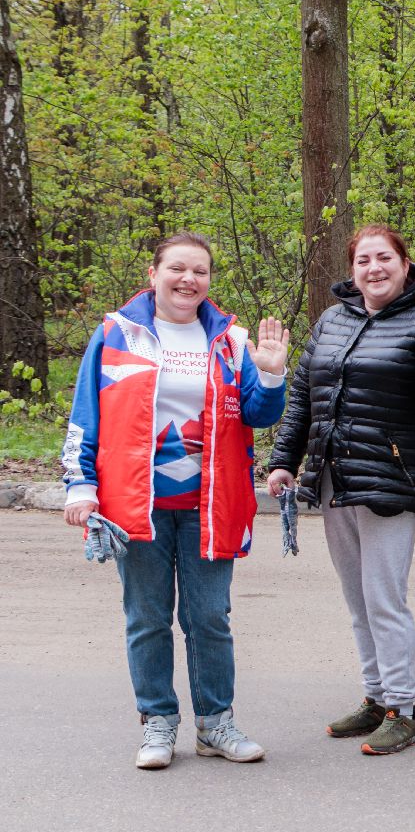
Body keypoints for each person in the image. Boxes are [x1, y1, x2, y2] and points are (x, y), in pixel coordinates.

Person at [62, 232, 288, 770]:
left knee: (209, 618)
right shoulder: (117, 334)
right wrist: (80, 483)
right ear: (153, 274)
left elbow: (258, 414)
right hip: (132, 506)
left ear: (209, 280)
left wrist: (274, 372)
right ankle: (157, 721)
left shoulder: (231, 340)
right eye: (178, 269)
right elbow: (85, 414)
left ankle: (215, 724)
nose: (189, 280)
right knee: (146, 618)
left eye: (201, 272)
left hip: (212, 507)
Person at [266, 224, 415, 756]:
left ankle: (404, 709)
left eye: (384, 258)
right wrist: (284, 461)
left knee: (384, 599)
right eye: (363, 260)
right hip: (333, 477)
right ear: (352, 269)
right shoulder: (331, 321)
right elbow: (302, 397)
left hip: (389, 478)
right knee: (357, 599)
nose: (374, 268)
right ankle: (377, 699)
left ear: (405, 265)